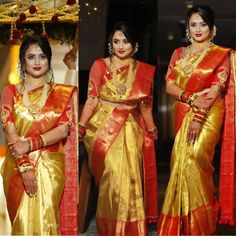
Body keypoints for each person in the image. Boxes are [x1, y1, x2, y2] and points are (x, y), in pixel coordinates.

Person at [158, 5, 236, 235]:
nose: (198, 29)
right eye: (193, 24)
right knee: (179, 164)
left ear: (212, 28)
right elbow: (170, 84)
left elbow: (215, 89)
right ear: (187, 28)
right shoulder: (178, 53)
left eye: (203, 24)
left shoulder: (220, 54)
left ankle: (202, 224)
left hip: (210, 113)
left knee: (196, 159)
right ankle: (184, 222)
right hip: (183, 109)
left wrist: (199, 117)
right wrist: (190, 97)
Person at [79, 21, 158, 235]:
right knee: (111, 175)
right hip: (101, 126)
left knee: (131, 178)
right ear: (110, 43)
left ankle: (130, 228)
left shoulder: (142, 70)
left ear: (134, 44)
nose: (121, 46)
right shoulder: (100, 65)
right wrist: (81, 125)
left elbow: (144, 104)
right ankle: (110, 228)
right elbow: (92, 99)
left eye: (125, 41)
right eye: (116, 41)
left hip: (130, 127)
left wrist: (151, 128)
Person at [0, 35, 78, 235]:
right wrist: (25, 167)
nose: (37, 62)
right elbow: (9, 130)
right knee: (23, 222)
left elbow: (63, 129)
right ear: (22, 61)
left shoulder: (61, 93)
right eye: (31, 57)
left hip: (50, 166)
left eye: (42, 57)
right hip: (17, 166)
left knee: (47, 220)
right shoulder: (10, 92)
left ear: (49, 60)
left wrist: (30, 144)